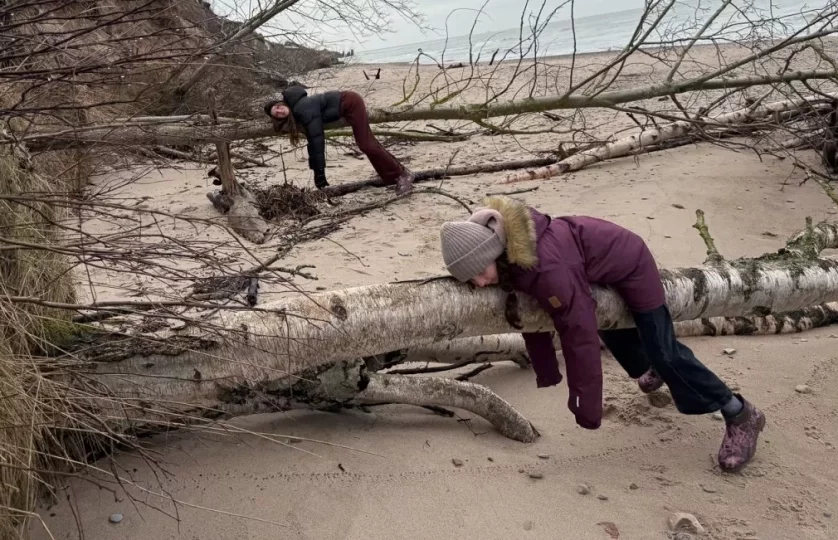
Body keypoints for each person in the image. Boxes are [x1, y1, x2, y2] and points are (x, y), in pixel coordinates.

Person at [438, 197, 766, 472]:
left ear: (494, 254)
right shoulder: (510, 254)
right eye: (472, 281)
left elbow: (578, 333)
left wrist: (585, 404)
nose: (479, 283)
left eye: (480, 273)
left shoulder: (547, 267)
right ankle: (649, 366)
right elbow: (536, 310)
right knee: (616, 333)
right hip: (594, 268)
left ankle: (739, 412)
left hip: (631, 262)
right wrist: (547, 368)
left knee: (665, 352)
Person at [263, 85, 414, 194]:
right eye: (276, 114)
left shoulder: (302, 108)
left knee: (366, 144)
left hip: (351, 103)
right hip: (346, 105)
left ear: (281, 103)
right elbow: (312, 137)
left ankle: (403, 175)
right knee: (368, 143)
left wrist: (319, 174)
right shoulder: (298, 111)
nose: (279, 111)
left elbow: (316, 139)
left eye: (278, 107)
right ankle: (390, 176)